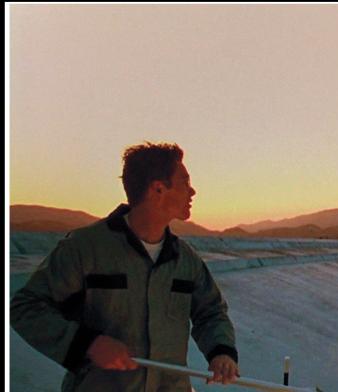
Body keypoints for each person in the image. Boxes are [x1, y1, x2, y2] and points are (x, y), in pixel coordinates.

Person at [10, 142, 240, 391]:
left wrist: (221, 351)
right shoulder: (84, 249)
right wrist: (88, 344)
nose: (192, 191)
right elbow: (25, 307)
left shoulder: (185, 259)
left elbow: (211, 311)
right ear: (158, 189)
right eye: (185, 182)